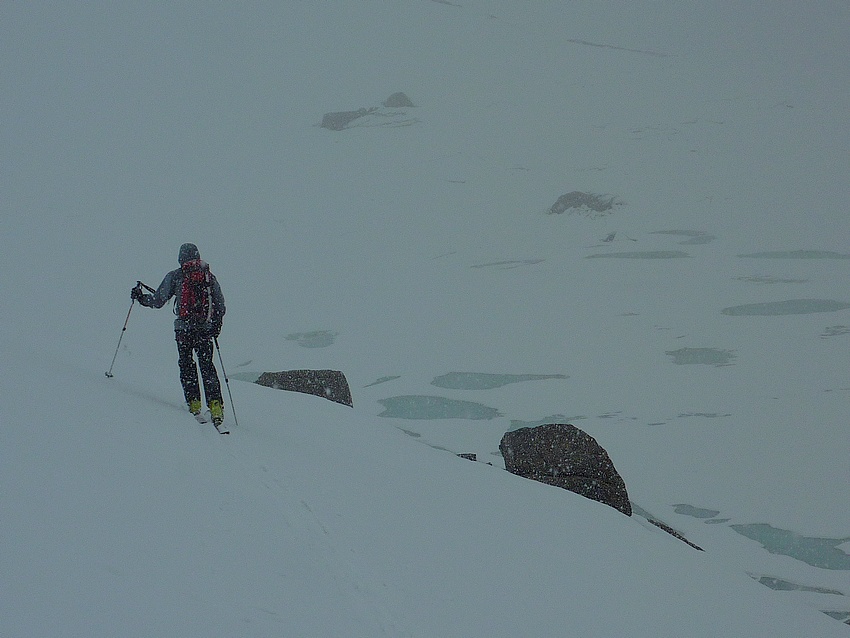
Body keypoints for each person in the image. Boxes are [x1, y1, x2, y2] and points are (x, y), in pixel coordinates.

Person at [132, 243, 226, 426]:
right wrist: (216, 326)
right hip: (205, 330)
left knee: (186, 364)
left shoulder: (175, 276)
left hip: (183, 330)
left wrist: (140, 297)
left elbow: (158, 301)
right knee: (207, 366)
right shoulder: (208, 277)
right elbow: (220, 305)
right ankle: (215, 406)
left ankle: (194, 403)